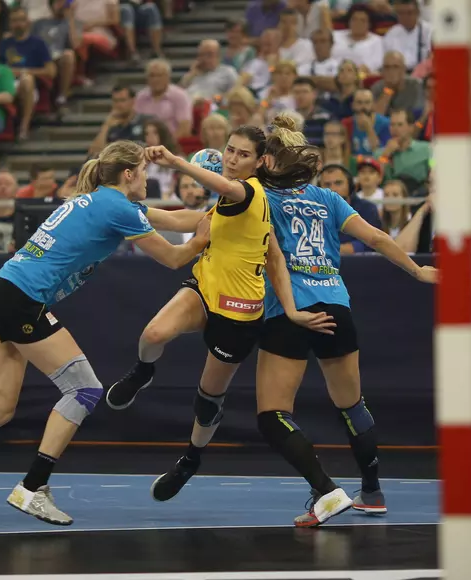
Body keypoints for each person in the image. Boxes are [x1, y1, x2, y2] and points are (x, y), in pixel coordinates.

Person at [0, 140, 211, 533]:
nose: (149, 180)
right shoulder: (119, 208)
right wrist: (203, 241)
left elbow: (177, 219)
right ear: (129, 175)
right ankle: (33, 486)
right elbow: (175, 257)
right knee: (85, 389)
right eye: (145, 174)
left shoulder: (101, 201)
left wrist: (223, 211)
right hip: (22, 300)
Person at [105, 126, 334, 502]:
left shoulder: (248, 191)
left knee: (208, 401)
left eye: (243, 155)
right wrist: (124, 208)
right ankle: (142, 372)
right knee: (154, 334)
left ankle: (190, 459)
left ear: (260, 162)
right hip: (204, 290)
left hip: (239, 314)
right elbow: (189, 221)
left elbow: (234, 197)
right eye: (229, 150)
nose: (231, 159)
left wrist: (177, 162)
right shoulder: (230, 202)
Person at [256, 116, 437, 527]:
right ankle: (372, 490)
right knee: (352, 406)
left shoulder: (260, 195)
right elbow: (375, 237)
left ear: (269, 160)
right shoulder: (327, 198)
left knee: (273, 413)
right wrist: (416, 271)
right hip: (335, 303)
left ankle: (326, 491)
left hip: (290, 309)